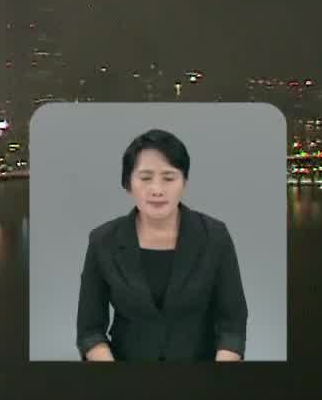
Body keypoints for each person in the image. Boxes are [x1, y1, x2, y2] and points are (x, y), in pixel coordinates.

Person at [76, 129, 249, 362]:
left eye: (169, 178)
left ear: (184, 182)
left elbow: (232, 325)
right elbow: (90, 330)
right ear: (128, 183)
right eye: (145, 178)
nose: (157, 189)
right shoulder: (103, 241)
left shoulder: (215, 236)